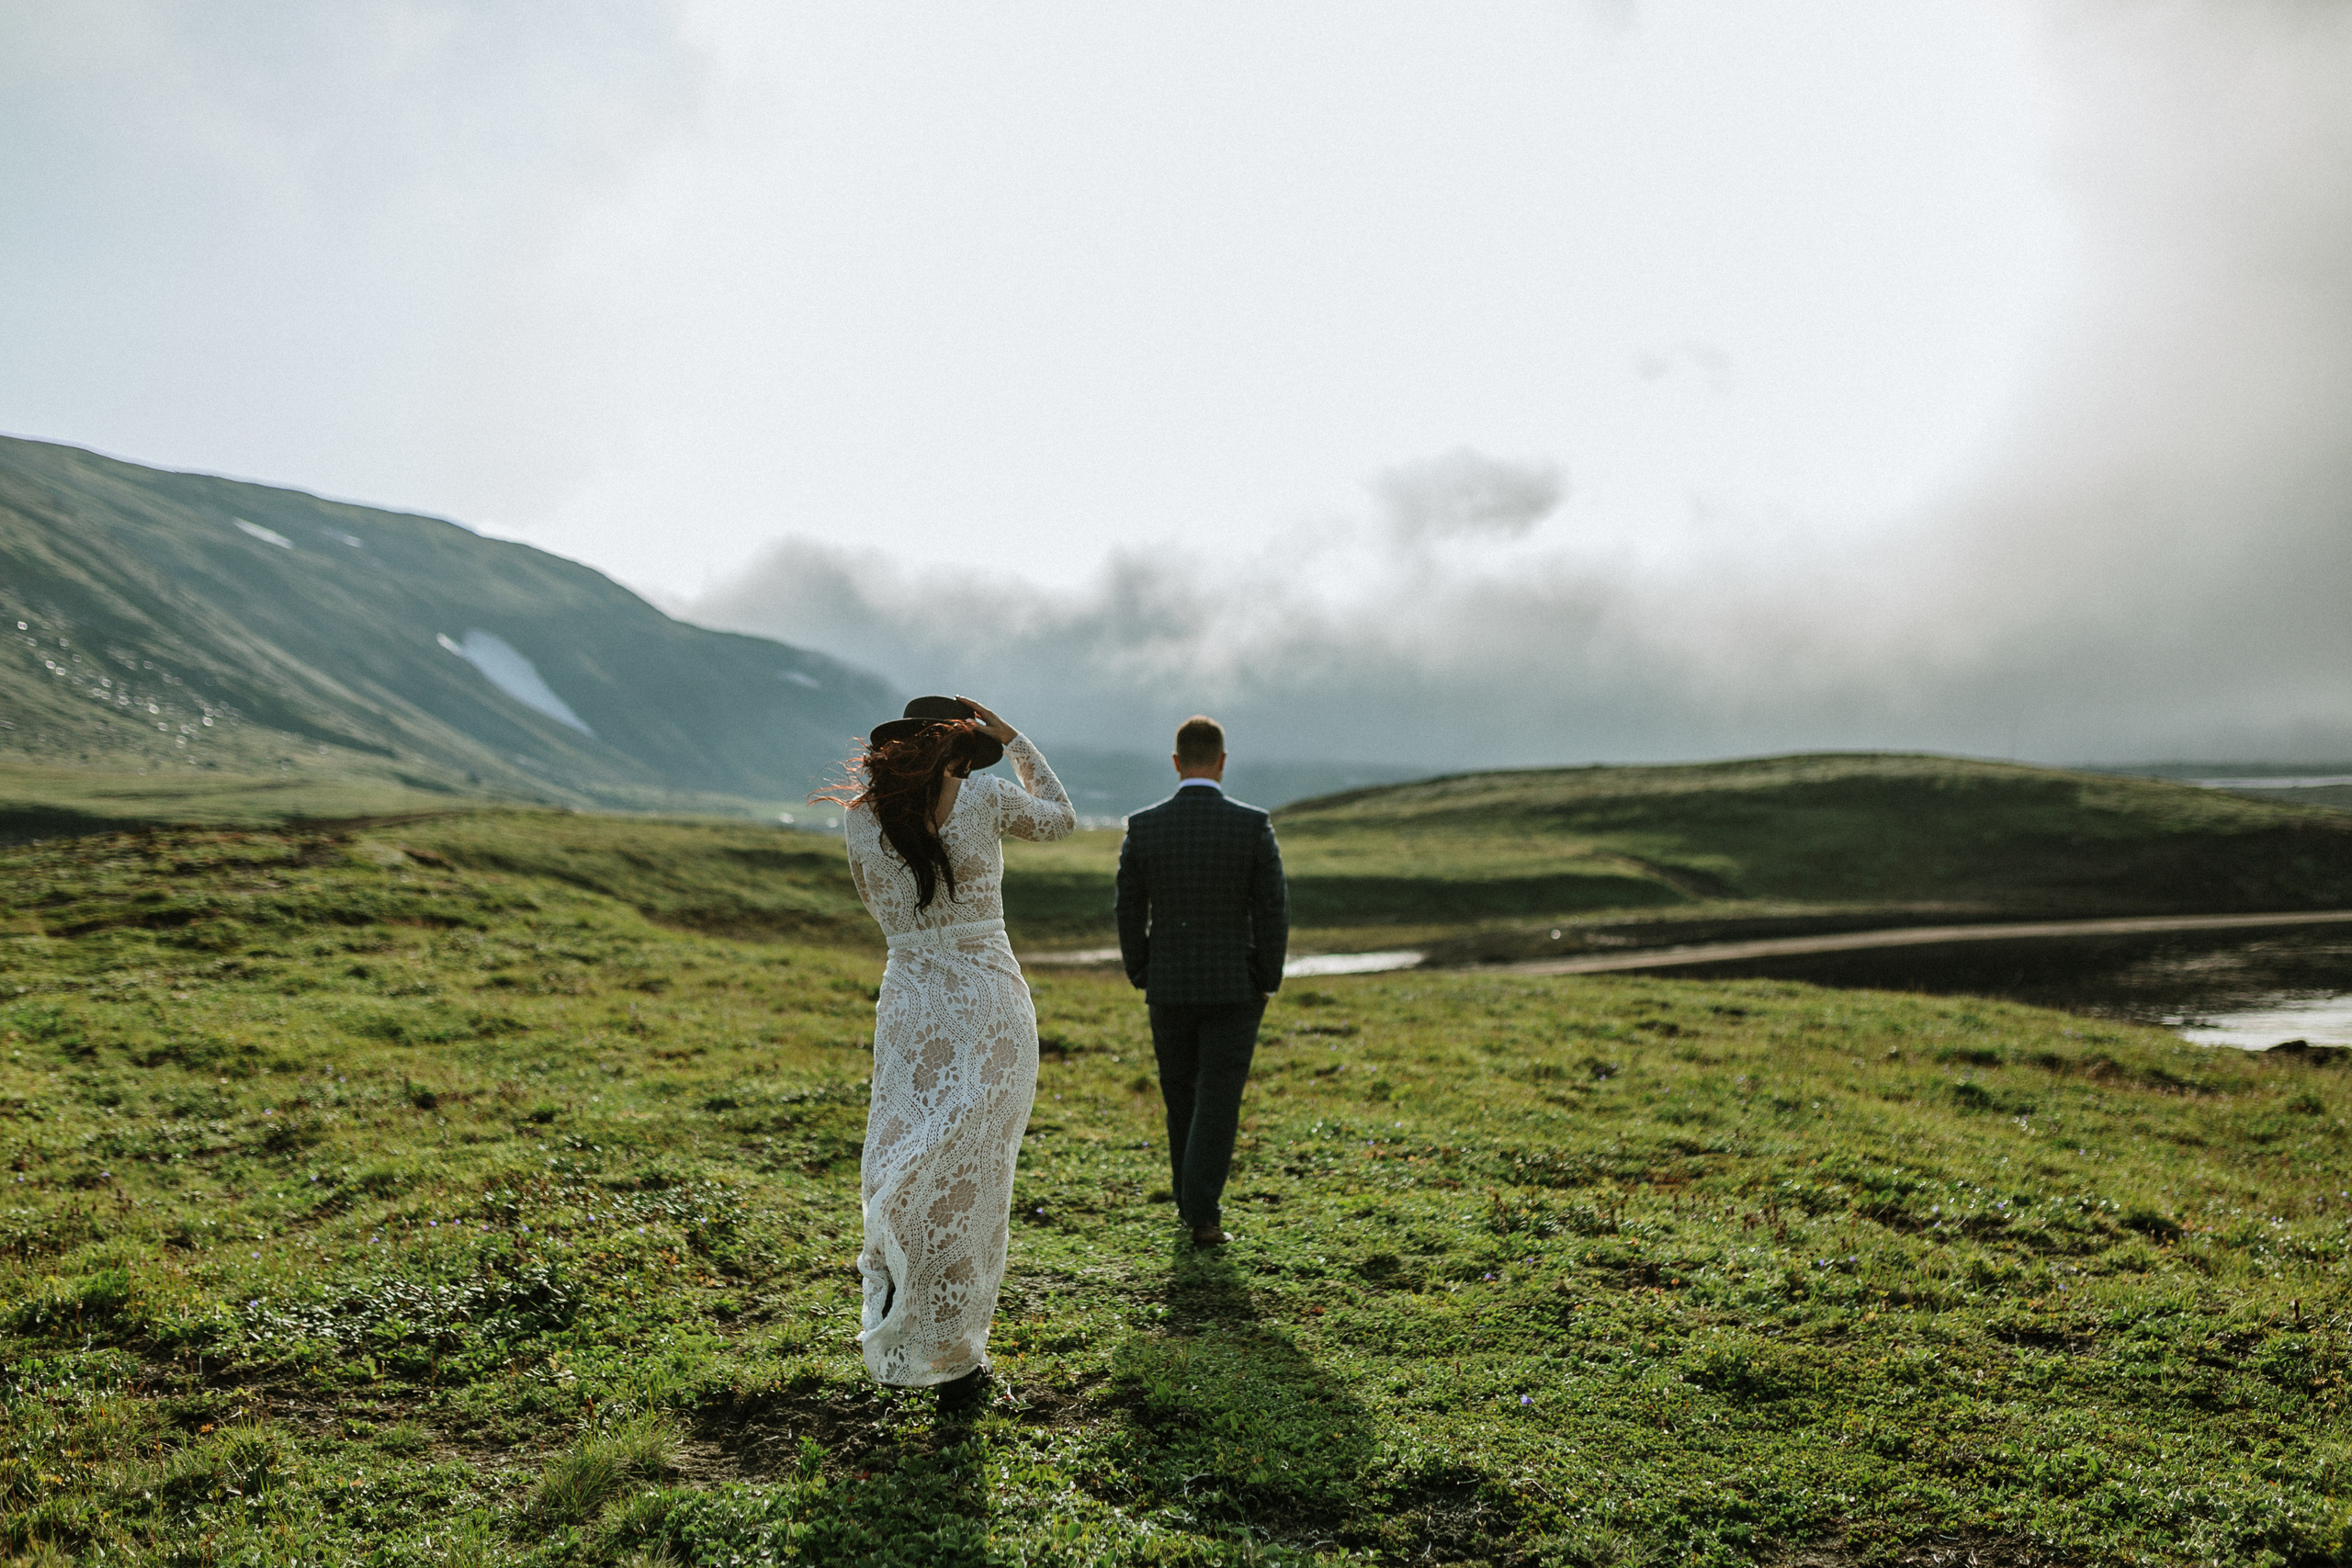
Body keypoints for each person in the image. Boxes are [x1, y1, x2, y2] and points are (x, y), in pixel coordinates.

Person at [825, 694, 1074, 1413]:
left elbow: (877, 905)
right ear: (960, 754)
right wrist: (1015, 736)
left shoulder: (858, 818)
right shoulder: (988, 797)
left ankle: (903, 1293)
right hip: (991, 999)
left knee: (904, 1151)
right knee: (976, 1174)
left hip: (910, 1003)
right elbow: (1060, 817)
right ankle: (957, 1354)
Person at [1114, 715, 1289, 1247]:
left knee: (1181, 1095)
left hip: (1167, 985)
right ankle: (1202, 1213)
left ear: (1175, 762)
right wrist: (1266, 976)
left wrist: (1141, 968)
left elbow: (1128, 908)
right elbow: (1272, 909)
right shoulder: (1253, 825)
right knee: (1219, 1097)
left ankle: (1193, 1207)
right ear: (1221, 761)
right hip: (1235, 987)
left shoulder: (1143, 827)